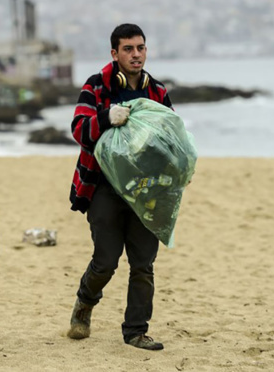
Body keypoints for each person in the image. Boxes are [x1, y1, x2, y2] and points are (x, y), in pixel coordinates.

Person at [67, 23, 173, 351]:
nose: (136, 54)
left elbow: (172, 139)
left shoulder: (157, 91)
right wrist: (106, 116)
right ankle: (85, 302)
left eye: (140, 48)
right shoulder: (96, 85)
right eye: (128, 49)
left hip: (146, 190)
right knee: (106, 261)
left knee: (143, 264)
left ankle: (136, 331)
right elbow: (79, 130)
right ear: (115, 53)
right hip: (104, 187)